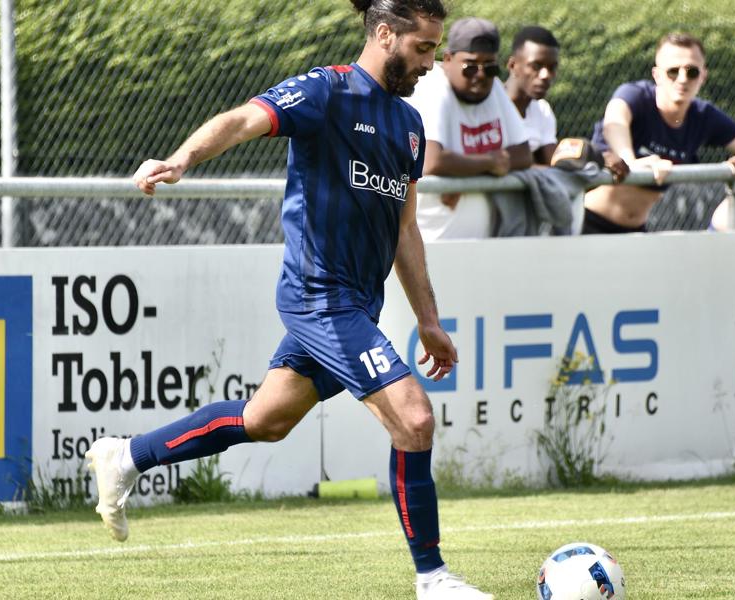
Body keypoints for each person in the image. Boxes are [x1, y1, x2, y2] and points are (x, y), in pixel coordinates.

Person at [85, 1, 493, 598]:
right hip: (317, 298)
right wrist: (181, 159)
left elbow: (406, 228)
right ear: (385, 34)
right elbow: (243, 119)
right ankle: (433, 578)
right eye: (424, 48)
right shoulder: (327, 92)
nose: (432, 63)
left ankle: (126, 456)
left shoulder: (408, 124)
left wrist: (428, 319)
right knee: (415, 418)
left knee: (265, 420)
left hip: (358, 305)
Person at [582, 32, 735, 234]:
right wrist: (630, 163)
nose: (682, 79)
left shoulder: (704, 115)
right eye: (673, 71)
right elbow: (614, 124)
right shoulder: (635, 95)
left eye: (692, 71)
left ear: (703, 76)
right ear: (657, 75)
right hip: (587, 223)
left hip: (635, 231)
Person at [405, 17, 531, 241]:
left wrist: (463, 170)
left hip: (481, 246)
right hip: (430, 242)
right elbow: (431, 161)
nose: (481, 75)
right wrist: (490, 163)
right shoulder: (434, 88)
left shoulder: (493, 90)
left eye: (490, 67)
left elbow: (523, 154)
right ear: (448, 59)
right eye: (470, 66)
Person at [504, 25, 560, 166]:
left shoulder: (542, 110)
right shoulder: (489, 104)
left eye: (552, 68)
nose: (545, 75)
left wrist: (597, 159)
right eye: (536, 66)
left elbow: (556, 165)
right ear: (512, 65)